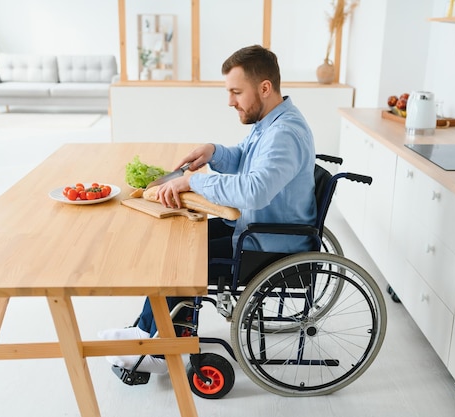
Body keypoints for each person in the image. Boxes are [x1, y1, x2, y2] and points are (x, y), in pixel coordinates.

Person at [98, 44, 316, 374]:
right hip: (255, 229)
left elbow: (254, 191)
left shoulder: (284, 134)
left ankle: (155, 346)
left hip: (271, 243)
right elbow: (244, 158)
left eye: (236, 92)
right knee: (177, 240)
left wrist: (192, 183)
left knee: (179, 259)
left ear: (265, 88)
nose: (230, 101)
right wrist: (213, 152)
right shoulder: (271, 122)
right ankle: (151, 331)